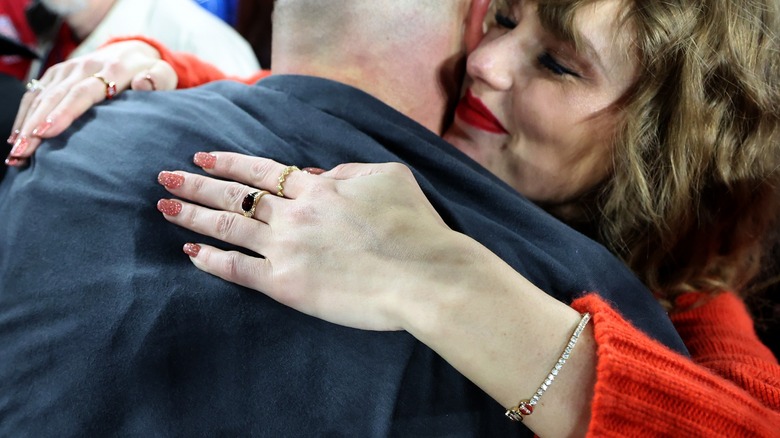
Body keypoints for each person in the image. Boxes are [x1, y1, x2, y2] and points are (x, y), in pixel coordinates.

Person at [35, 0, 777, 436]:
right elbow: (304, 99)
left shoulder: (695, 307)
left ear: (666, 144)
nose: (485, 61)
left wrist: (441, 283)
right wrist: (152, 65)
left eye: (557, 64)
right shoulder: (441, 136)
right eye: (506, 18)